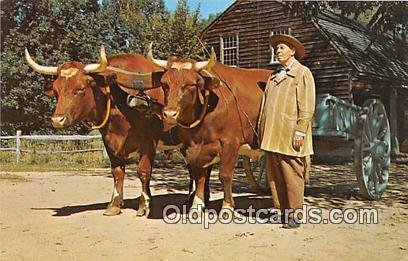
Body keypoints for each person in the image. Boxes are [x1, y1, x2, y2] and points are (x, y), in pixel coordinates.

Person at [259, 34, 315, 229]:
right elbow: (265, 107)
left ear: (293, 50)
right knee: (275, 177)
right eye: (277, 48)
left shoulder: (302, 73)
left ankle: (295, 214)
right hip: (272, 135)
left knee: (292, 174)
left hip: (290, 135)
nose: (278, 50)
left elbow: (307, 106)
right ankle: (282, 212)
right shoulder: (274, 76)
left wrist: (300, 131)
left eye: (282, 47)